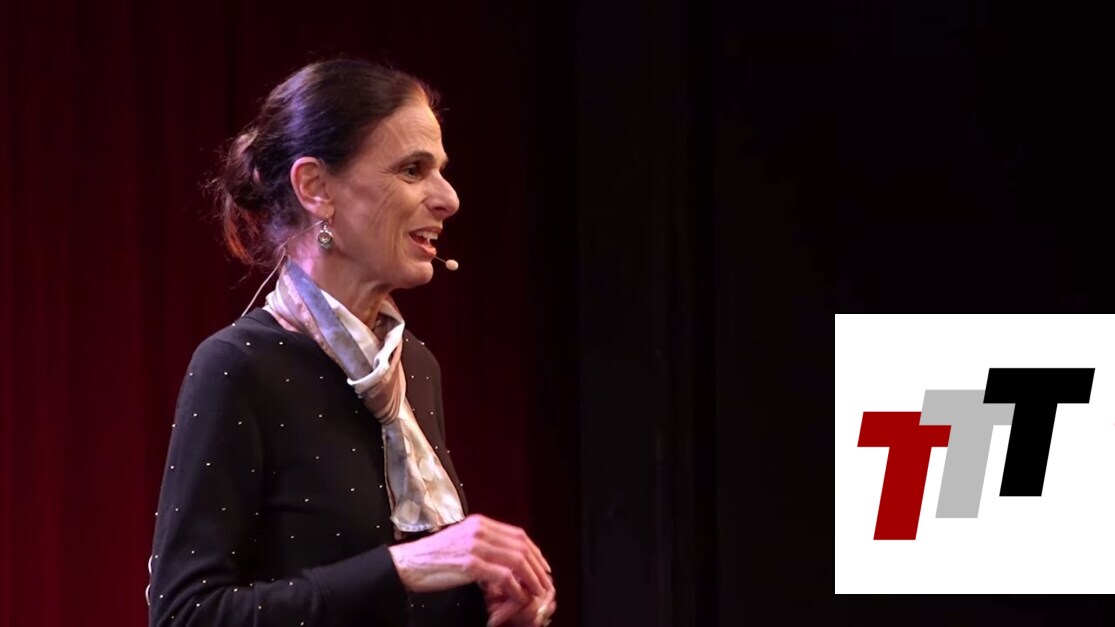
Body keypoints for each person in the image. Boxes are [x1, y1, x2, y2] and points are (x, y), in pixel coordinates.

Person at [146, 58, 556, 627]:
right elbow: (185, 615)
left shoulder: (415, 366)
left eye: (440, 171)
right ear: (316, 188)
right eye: (413, 170)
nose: (449, 198)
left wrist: (490, 609)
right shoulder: (239, 366)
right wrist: (406, 566)